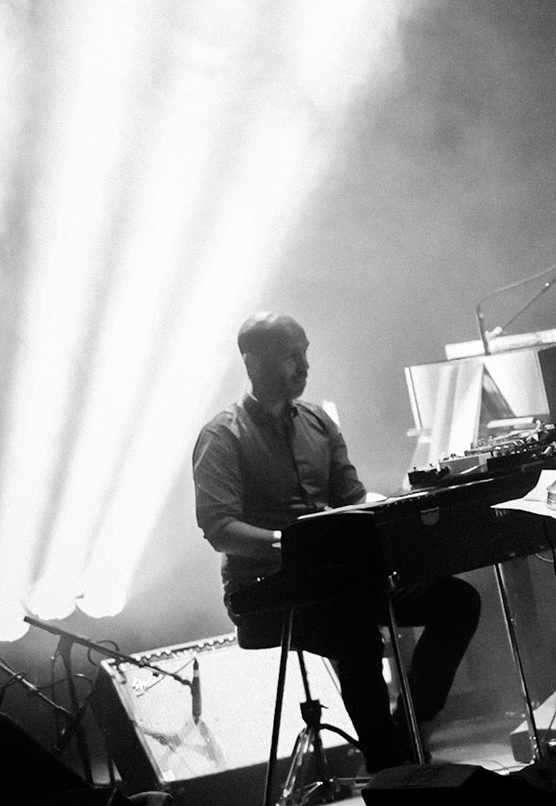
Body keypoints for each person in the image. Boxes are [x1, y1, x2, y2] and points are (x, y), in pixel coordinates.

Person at [193, 312, 481, 771]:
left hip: (340, 578)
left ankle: (406, 731)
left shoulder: (319, 422)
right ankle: (391, 766)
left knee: (457, 600)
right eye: (291, 356)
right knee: (354, 633)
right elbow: (219, 528)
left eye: (304, 354)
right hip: (265, 590)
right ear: (252, 362)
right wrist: (297, 547)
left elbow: (353, 498)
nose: (303, 365)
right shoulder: (222, 435)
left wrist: (395, 517)